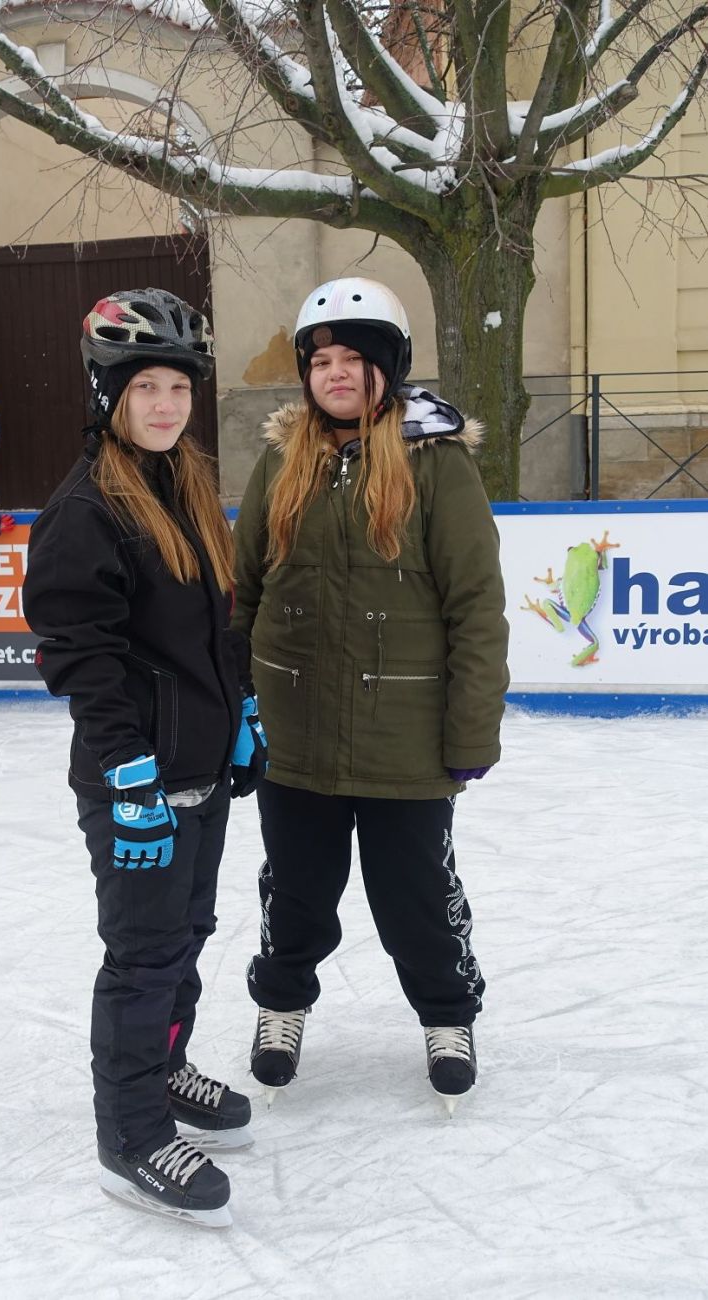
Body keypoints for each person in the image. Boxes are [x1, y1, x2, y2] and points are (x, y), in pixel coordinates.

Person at [231, 277, 510, 1115]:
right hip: (294, 734)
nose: (336, 374)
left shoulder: (438, 464)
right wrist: (235, 705)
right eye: (321, 362)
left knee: (415, 897)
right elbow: (244, 593)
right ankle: (281, 1007)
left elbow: (476, 607)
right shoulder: (282, 461)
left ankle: (448, 1018)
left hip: (407, 741)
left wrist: (472, 731)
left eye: (354, 358)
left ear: (388, 367)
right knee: (295, 891)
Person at [22, 289, 267, 1229]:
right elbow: (78, 655)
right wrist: (128, 775)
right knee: (143, 955)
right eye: (146, 388)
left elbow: (217, 624)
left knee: (188, 935)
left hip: (200, 770)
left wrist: (242, 707)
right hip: (137, 783)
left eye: (178, 387)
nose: (166, 405)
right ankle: (129, 1135)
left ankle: (164, 1069)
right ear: (108, 394)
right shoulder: (86, 509)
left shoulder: (184, 487)